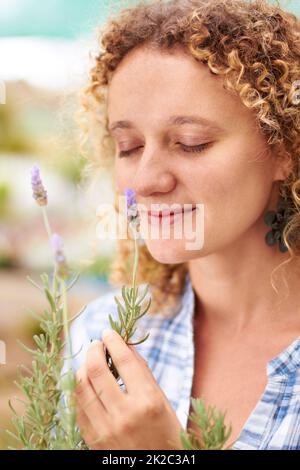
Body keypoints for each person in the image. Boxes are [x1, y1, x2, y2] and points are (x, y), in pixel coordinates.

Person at [70, 0, 300, 449]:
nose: (147, 181)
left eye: (191, 143)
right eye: (129, 146)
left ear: (283, 147)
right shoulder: (99, 335)